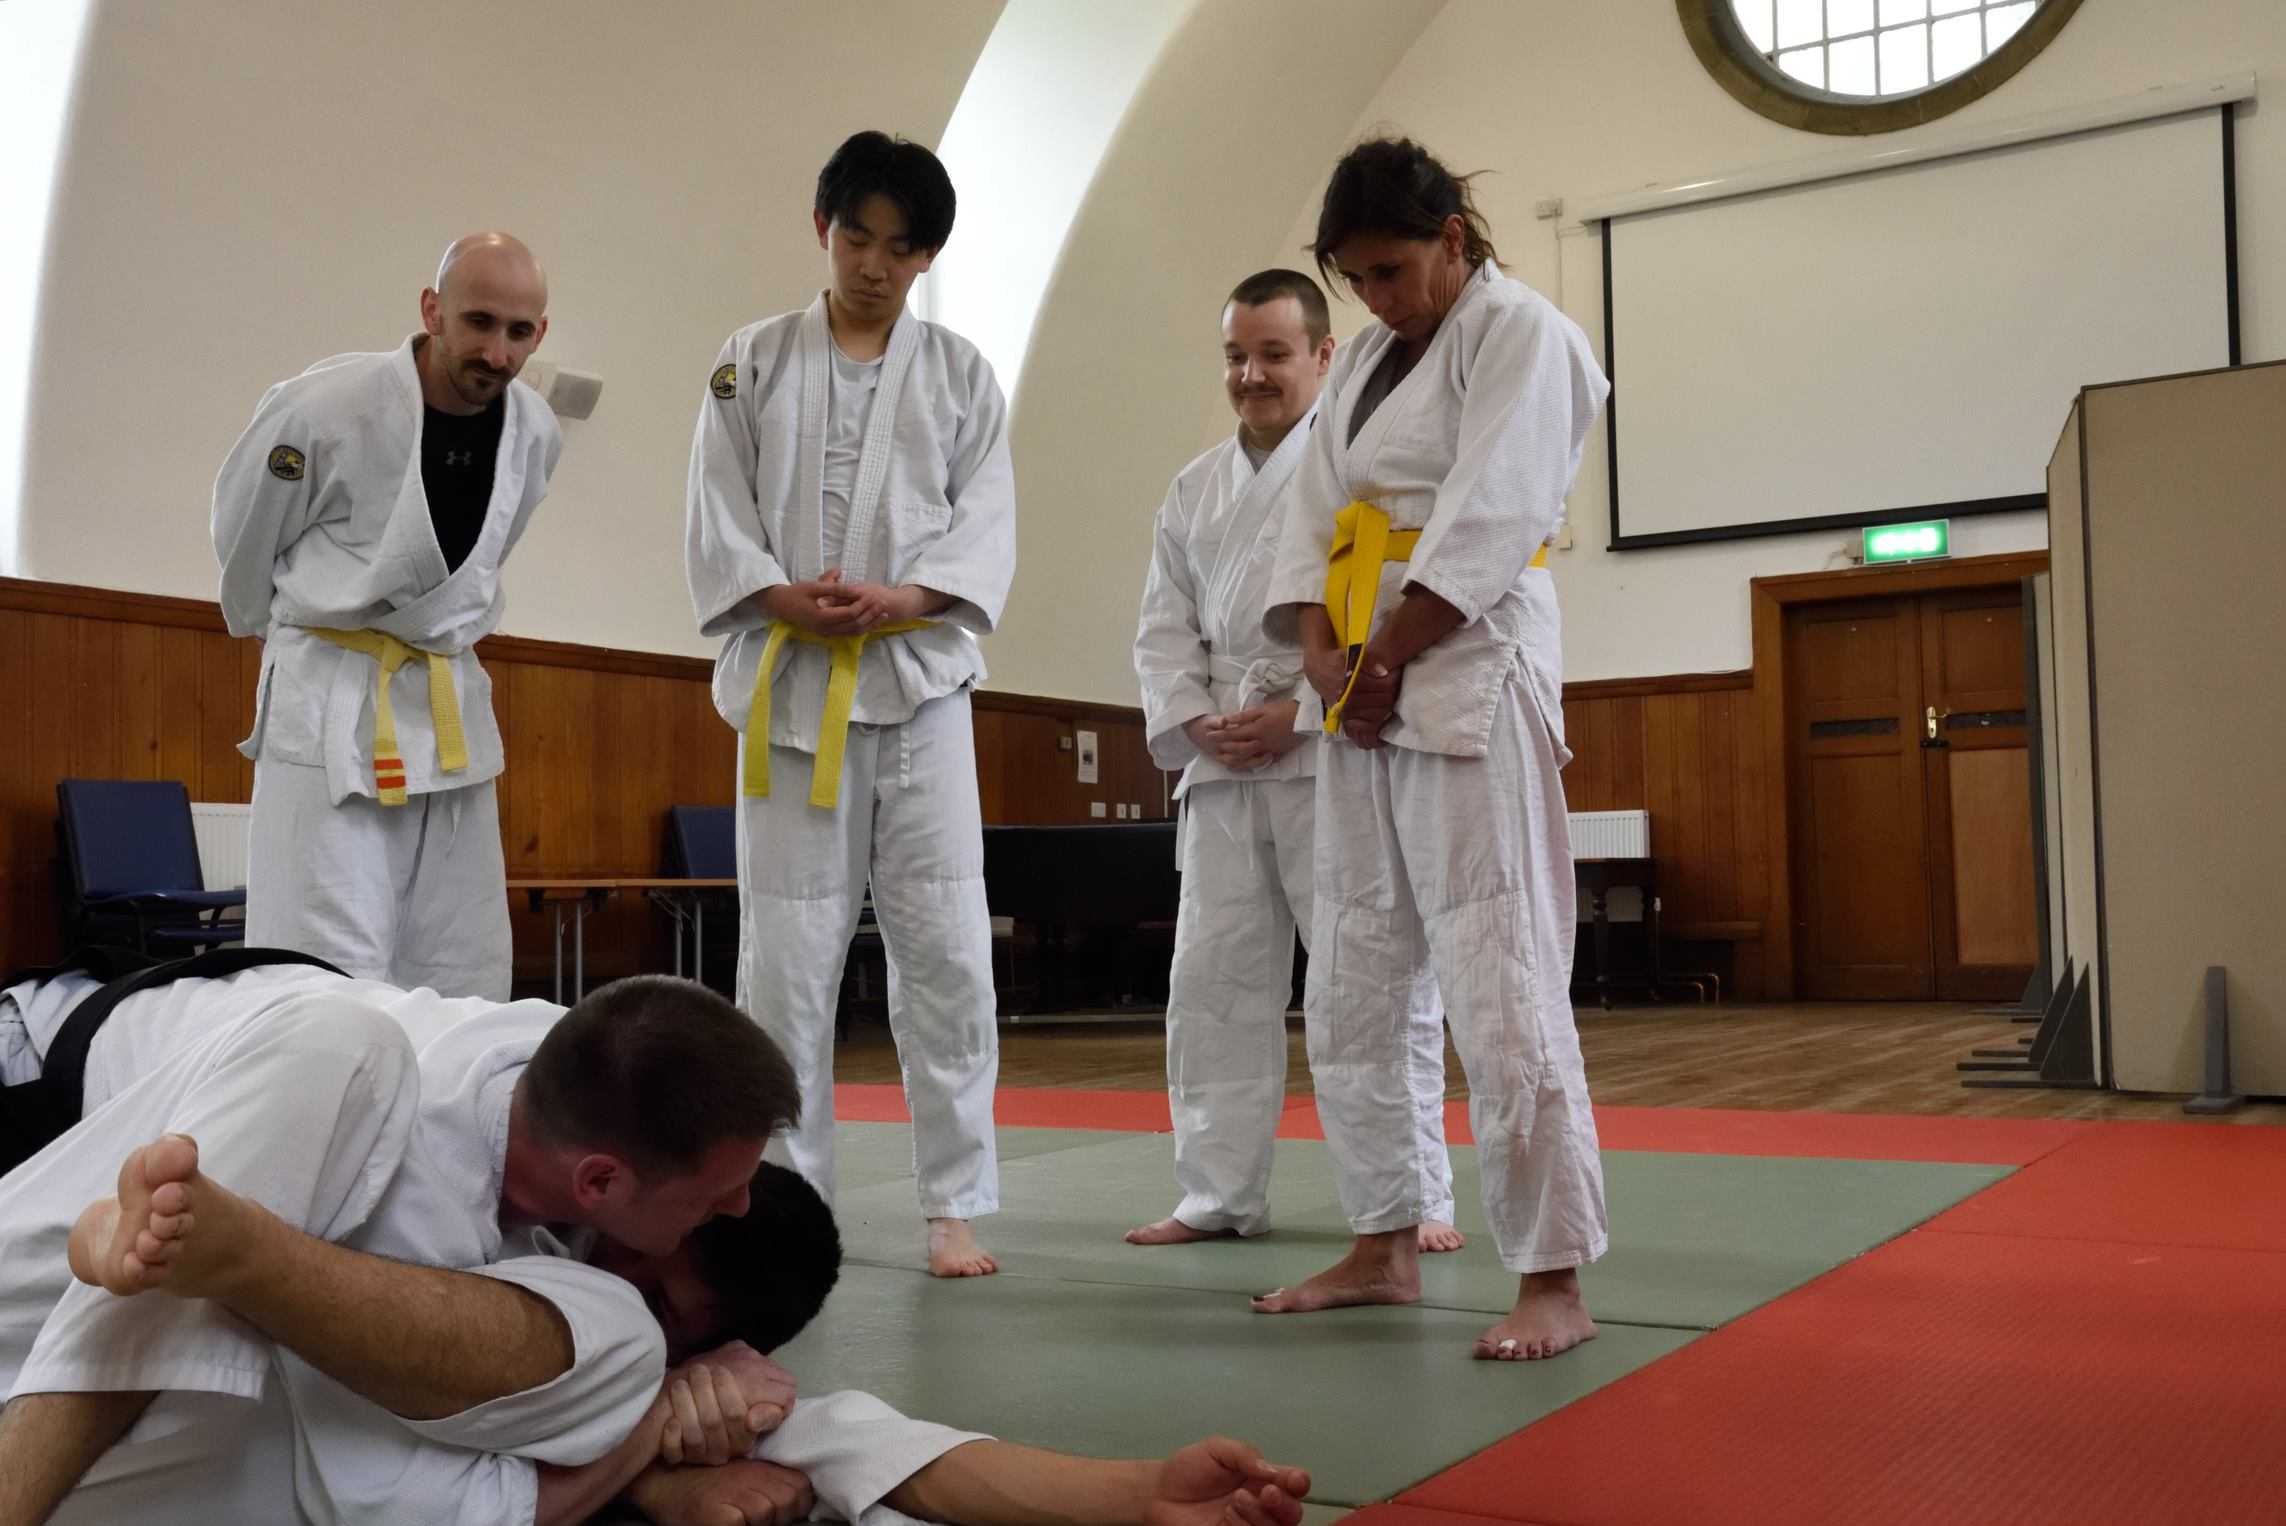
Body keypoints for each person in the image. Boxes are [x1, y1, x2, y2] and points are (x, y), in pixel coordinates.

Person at [0, 958, 794, 1520]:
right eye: (707, 1205)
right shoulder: (400, 1156)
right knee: (338, 1054)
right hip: (40, 1082)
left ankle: (238, 1251)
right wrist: (646, 1459)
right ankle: (239, 1253)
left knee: (622, 1344)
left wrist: (659, 1435)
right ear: (601, 1183)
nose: (737, 1205)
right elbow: (386, 1485)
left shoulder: (590, 1077)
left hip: (162, 1166)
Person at [1253, 139, 1612, 1361]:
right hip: (1360, 680)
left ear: (1454, 235)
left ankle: (1552, 1273)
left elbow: (1495, 514)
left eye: (1393, 271)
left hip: (1470, 668)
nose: (1377, 298)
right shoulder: (1362, 363)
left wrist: (1386, 656)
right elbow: (1312, 514)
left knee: (1500, 969)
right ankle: (1384, 1238)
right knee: (1354, 970)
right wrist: (1321, 651)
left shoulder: (1524, 335)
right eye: (1356, 278)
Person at [686, 131, 1015, 1279]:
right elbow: (717, 510)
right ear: (822, 228)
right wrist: (781, 596)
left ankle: (954, 1201)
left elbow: (985, 520)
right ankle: (785, 1196)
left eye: (900, 247)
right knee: (785, 955)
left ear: (927, 257)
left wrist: (908, 598)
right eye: (857, 236)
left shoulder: (962, 374)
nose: (874, 264)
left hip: (919, 685)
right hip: (792, 689)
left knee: (948, 947)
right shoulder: (752, 360)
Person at [1129, 269, 1463, 1253]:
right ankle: (1217, 1190)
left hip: (1332, 754)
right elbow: (1162, 629)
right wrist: (1195, 720)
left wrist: (1304, 712)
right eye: (1236, 355)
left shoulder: (1359, 469)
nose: (1252, 374)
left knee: (1368, 977)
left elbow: (1388, 608)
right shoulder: (1192, 488)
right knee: (1213, 982)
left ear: (1323, 355)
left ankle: (1414, 1194)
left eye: (1273, 353)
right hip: (1223, 761)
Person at [212, 233, 558, 1000]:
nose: (496, 353)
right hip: (330, 702)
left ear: (541, 332)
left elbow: (480, 565)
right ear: (432, 310)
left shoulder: (536, 433)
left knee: (462, 969)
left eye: (518, 332)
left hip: (448, 712)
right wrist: (294, 634)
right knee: (318, 971)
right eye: (478, 322)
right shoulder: (322, 408)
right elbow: (245, 543)